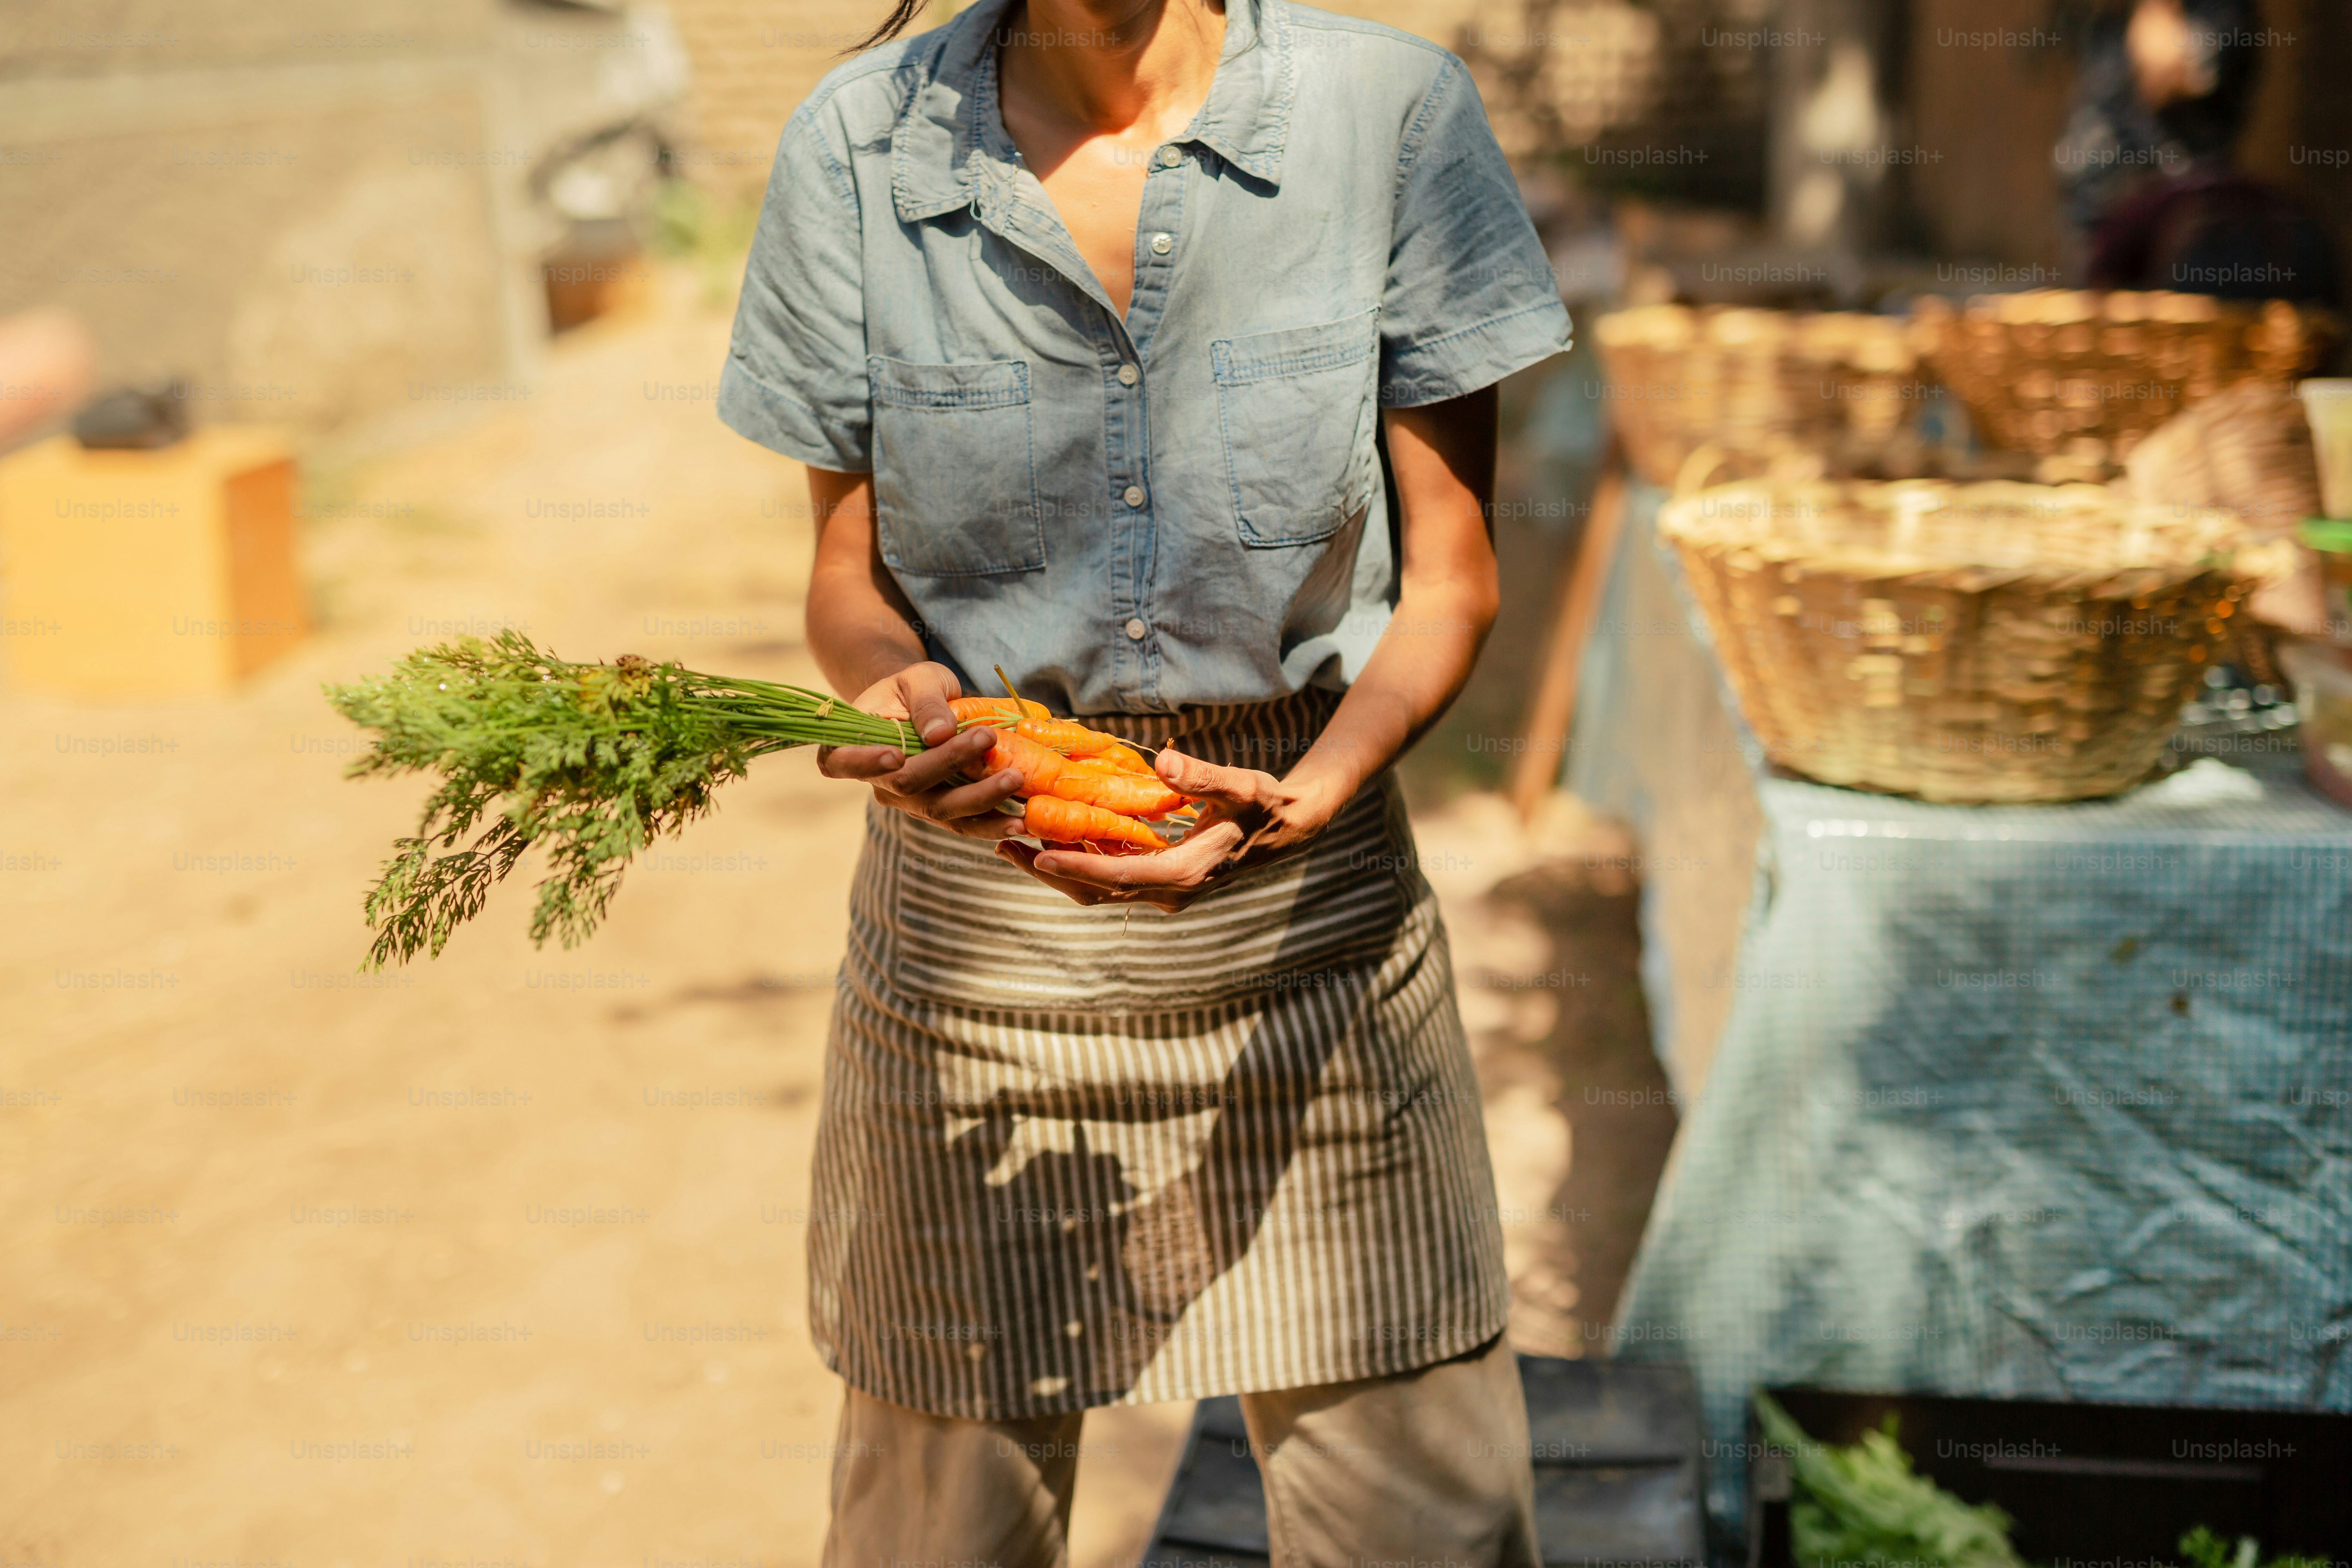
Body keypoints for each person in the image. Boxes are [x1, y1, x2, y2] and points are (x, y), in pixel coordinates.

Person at [717, 0, 1570, 1557]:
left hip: (1316, 953)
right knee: (937, 1534)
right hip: (981, 952)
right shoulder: (854, 143)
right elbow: (849, 580)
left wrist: (1323, 782)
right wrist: (909, 705)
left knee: (1427, 1527)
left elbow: (1450, 581)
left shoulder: (1389, 116)